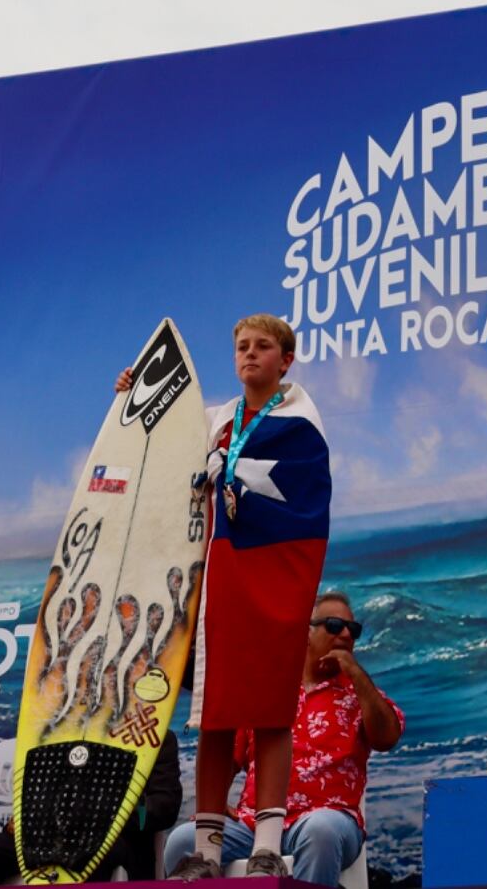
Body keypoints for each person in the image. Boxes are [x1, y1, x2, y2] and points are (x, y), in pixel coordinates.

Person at [117, 313, 332, 881]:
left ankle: (266, 845)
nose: (250, 354)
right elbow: (160, 445)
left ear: (285, 360)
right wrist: (130, 399)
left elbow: (304, 498)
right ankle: (206, 851)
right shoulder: (217, 421)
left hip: (272, 581)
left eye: (264, 347)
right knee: (213, 715)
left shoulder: (301, 421)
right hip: (220, 585)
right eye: (242, 346)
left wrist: (232, 482)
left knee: (270, 713)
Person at [162, 591, 403, 886]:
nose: (344, 634)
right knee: (182, 841)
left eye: (352, 630)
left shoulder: (358, 694)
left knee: (322, 832)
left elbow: (387, 737)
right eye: (333, 625)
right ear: (305, 631)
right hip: (254, 824)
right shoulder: (269, 694)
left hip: (325, 818)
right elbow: (227, 756)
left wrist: (355, 673)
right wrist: (215, 804)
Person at [0, 731, 182, 885]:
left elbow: (162, 810)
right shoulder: (62, 732)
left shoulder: (156, 739)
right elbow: (38, 792)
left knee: (86, 860)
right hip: (46, 835)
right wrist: (27, 817)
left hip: (112, 839)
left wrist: (101, 816)